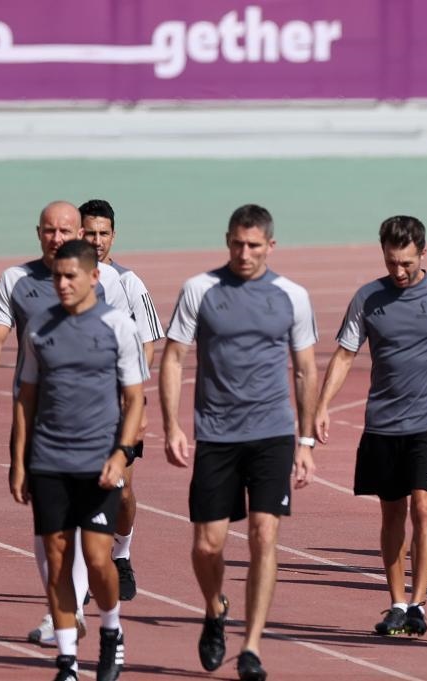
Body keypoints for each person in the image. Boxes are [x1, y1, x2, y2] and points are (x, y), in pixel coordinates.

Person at [160, 204, 318, 681]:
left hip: (272, 434)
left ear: (270, 245)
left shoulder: (292, 296)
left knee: (264, 536)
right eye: (236, 244)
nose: (244, 253)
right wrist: (172, 426)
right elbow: (173, 358)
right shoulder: (200, 289)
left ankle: (251, 647)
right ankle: (215, 608)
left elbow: (305, 370)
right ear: (227, 241)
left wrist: (305, 440)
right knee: (207, 547)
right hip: (216, 434)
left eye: (253, 245)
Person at [0, 200, 133, 646]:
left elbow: (131, 346)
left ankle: (81, 607)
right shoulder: (16, 280)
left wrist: (129, 414)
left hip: (97, 423)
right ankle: (64, 610)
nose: (56, 238)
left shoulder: (109, 281)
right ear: (38, 232)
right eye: (48, 230)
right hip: (40, 422)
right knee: (50, 529)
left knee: (89, 530)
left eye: (65, 231)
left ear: (79, 233)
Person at [315, 216, 427, 637]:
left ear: (423, 253)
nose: (399, 271)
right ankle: (396, 603)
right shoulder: (368, 298)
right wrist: (321, 406)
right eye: (391, 262)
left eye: (407, 262)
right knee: (392, 514)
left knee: (423, 508)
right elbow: (344, 355)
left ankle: (418, 604)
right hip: (382, 425)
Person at [10, 239, 146, 681]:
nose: (63, 284)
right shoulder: (40, 327)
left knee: (98, 556)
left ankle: (111, 630)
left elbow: (134, 398)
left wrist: (122, 454)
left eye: (72, 276)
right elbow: (26, 398)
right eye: (57, 276)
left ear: (94, 276)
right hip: (49, 460)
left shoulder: (117, 327)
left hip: (99, 461)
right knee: (57, 556)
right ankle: (67, 660)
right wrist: (19, 461)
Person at [80, 199, 166, 601]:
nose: (97, 241)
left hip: (120, 406)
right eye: (89, 233)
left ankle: (122, 553)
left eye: (103, 233)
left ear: (113, 236)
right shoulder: (63, 281)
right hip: (76, 407)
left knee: (122, 490)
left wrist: (129, 385)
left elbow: (149, 342)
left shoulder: (129, 283)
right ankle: (81, 576)